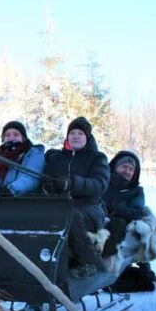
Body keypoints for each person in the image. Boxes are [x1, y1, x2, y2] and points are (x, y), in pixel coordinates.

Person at [42, 116, 110, 278]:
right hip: (58, 206)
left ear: (87, 138)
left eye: (80, 133)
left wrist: (73, 184)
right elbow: (45, 180)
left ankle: (89, 261)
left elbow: (99, 184)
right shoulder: (56, 159)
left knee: (70, 215)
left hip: (90, 208)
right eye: (72, 133)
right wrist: (49, 186)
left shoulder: (97, 158)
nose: (76, 136)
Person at [103, 150, 156, 290]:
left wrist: (115, 208)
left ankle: (144, 269)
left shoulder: (136, 191)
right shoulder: (103, 184)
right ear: (115, 167)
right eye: (124, 167)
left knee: (145, 218)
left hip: (124, 228)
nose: (127, 171)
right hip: (101, 223)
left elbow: (137, 212)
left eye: (131, 169)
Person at [0, 121, 45, 196]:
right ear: (3, 139)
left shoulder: (33, 154)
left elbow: (30, 178)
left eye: (16, 135)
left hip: (22, 202)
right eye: (7, 135)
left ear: (23, 138)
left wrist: (10, 190)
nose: (11, 138)